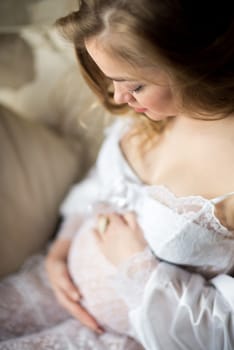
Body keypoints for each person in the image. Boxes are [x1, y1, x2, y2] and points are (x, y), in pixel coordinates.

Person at [1, 0, 234, 349]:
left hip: (119, 337)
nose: (117, 96)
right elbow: (100, 186)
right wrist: (60, 250)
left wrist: (134, 264)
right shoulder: (150, 113)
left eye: (134, 85)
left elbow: (223, 333)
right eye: (111, 79)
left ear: (192, 65)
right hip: (54, 283)